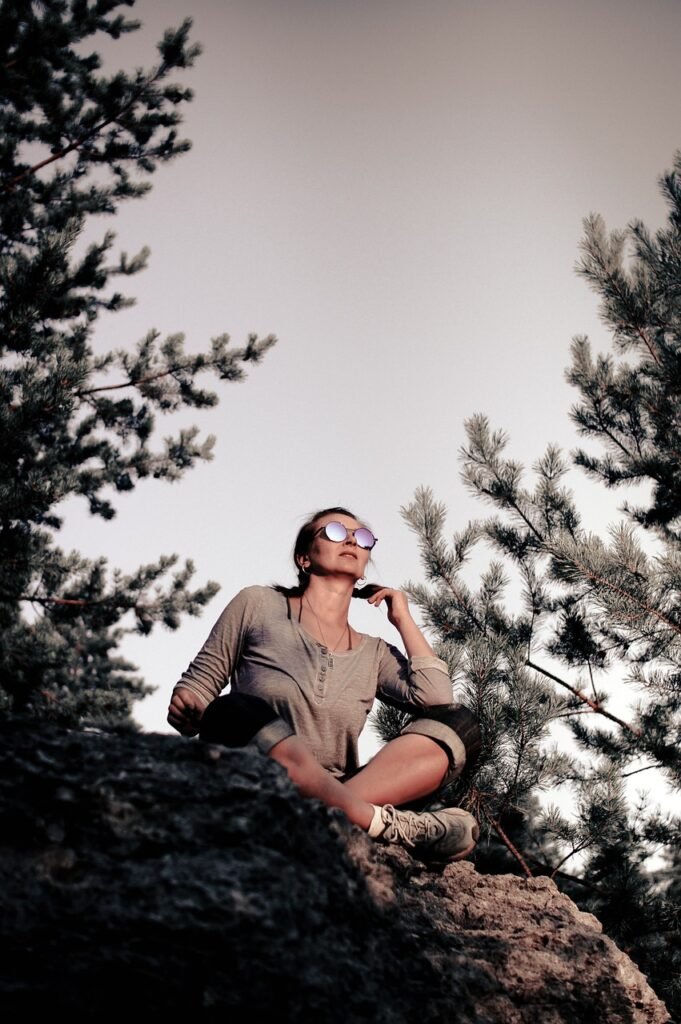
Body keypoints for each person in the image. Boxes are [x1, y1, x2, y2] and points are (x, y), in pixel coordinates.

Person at [167, 506, 481, 863]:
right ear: (304, 557)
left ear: (364, 565)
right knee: (231, 710)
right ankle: (379, 824)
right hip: (259, 778)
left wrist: (403, 618)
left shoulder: (375, 652)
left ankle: (330, 813)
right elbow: (199, 687)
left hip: (344, 787)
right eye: (333, 531)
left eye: (362, 537)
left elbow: (438, 699)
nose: (350, 539)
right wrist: (189, 707)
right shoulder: (258, 604)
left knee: (462, 726)